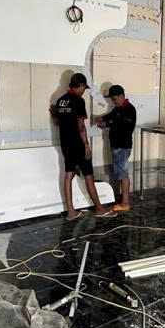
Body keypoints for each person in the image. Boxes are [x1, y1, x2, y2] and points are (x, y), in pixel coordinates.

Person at [52, 73, 114, 220]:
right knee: (88, 175)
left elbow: (56, 122)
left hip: (65, 144)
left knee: (68, 175)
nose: (83, 91)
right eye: (84, 88)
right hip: (77, 144)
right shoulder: (78, 101)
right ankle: (99, 209)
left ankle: (71, 212)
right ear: (80, 85)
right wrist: (86, 146)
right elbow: (81, 126)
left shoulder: (60, 101)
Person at [97, 84, 136, 212]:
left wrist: (107, 123)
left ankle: (125, 203)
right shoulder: (118, 108)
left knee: (123, 175)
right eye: (112, 100)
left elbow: (124, 126)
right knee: (120, 174)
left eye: (114, 99)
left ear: (122, 96)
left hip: (122, 147)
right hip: (117, 146)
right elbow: (112, 116)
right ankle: (123, 200)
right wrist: (102, 118)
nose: (113, 102)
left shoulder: (129, 109)